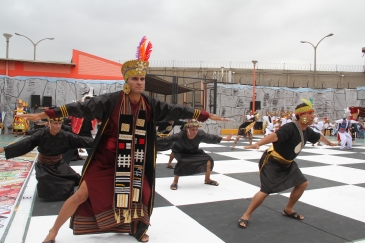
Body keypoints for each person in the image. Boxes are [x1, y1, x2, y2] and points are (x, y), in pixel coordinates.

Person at [17, 37, 227, 243]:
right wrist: (45, 115)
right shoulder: (111, 100)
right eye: (135, 79)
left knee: (142, 194)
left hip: (135, 160)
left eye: (142, 79)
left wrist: (205, 115)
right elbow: (79, 108)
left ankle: (137, 228)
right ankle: (53, 231)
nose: (139, 82)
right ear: (126, 80)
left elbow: (177, 109)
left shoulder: (150, 103)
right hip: (105, 160)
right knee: (80, 195)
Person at [237, 99, 337, 229]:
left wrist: (329, 143)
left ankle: (288, 209)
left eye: (313, 113)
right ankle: (246, 215)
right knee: (266, 190)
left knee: (303, 183)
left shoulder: (307, 130)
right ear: (301, 115)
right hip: (272, 161)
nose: (313, 116)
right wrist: (258, 144)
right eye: (310, 113)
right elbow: (275, 136)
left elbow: (318, 137)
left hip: (288, 163)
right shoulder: (290, 127)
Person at [0, 117, 94, 200]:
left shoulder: (65, 135)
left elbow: (81, 140)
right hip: (44, 166)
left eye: (59, 124)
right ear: (49, 124)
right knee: (46, 185)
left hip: (58, 164)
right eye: (55, 123)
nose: (57, 126)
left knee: (76, 180)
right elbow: (26, 142)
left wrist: (100, 141)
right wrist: (4, 149)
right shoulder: (41, 135)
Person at [156, 119, 232, 190]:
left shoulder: (200, 134)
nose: (195, 132)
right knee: (182, 162)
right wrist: (152, 140)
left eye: (196, 129)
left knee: (209, 160)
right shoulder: (180, 135)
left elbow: (210, 137)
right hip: (180, 151)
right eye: (192, 130)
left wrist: (225, 139)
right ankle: (175, 182)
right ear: (187, 129)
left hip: (194, 151)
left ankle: (207, 179)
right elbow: (166, 140)